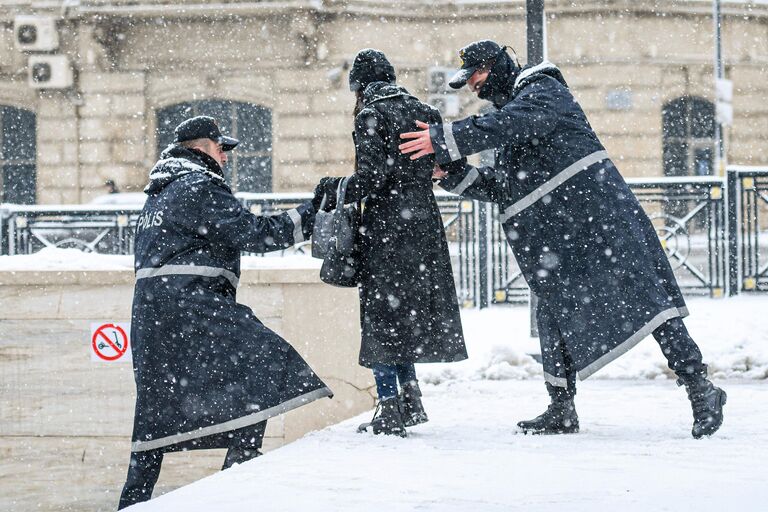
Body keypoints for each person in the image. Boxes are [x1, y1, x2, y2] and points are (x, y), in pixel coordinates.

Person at [399, 40, 726, 438]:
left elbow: (517, 123)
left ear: (497, 67)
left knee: (652, 304)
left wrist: (444, 137)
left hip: (606, 225)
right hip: (562, 241)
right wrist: (448, 175)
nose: (474, 88)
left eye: (477, 77)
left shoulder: (543, 91)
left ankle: (700, 389)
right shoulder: (510, 119)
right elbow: (506, 188)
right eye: (469, 82)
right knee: (552, 312)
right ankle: (561, 408)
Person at [119, 116, 333, 509]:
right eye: (221, 149)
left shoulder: (159, 192)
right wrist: (313, 211)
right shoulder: (199, 185)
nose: (226, 158)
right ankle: (242, 464)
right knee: (266, 360)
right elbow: (257, 233)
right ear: (201, 149)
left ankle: (133, 502)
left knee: (155, 415)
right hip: (191, 306)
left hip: (153, 315)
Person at [317, 49, 467, 437]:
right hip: (425, 224)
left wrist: (333, 189)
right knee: (406, 312)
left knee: (382, 315)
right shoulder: (426, 111)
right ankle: (411, 399)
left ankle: (388, 408)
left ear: (360, 86)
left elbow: (372, 178)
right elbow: (444, 168)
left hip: (387, 227)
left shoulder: (371, 114)